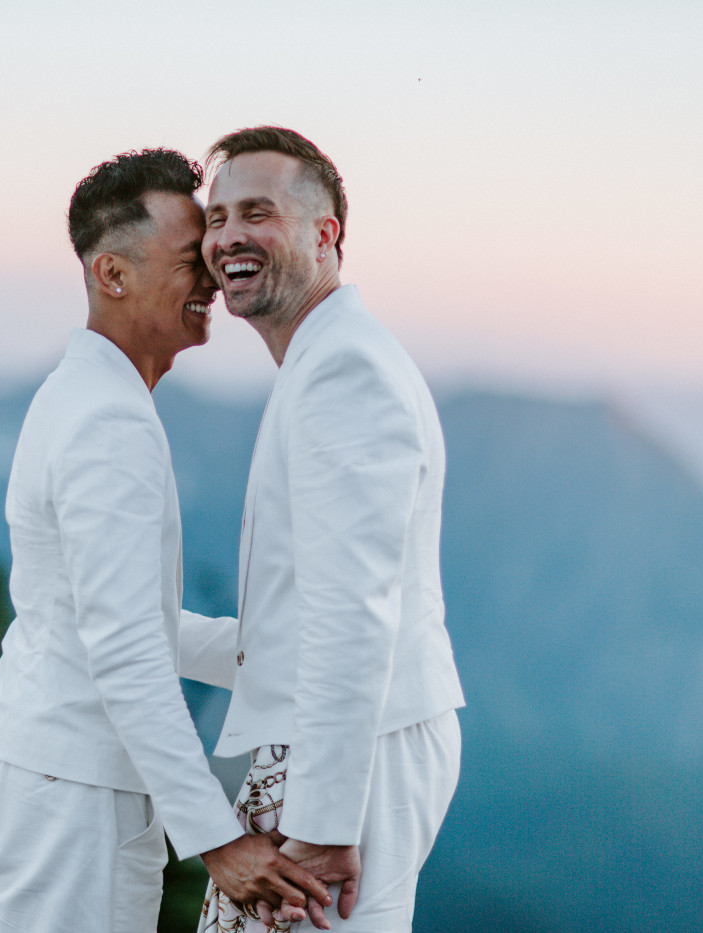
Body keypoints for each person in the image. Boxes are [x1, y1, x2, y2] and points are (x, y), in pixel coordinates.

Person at [0, 148, 328, 933]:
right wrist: (217, 837)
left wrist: (276, 654)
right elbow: (123, 650)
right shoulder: (109, 421)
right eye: (192, 260)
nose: (214, 280)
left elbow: (112, 618)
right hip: (72, 799)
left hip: (19, 766)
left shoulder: (74, 394)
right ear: (112, 274)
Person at [197, 127, 466, 932]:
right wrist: (136, 630)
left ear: (326, 235)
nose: (227, 237)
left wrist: (323, 824)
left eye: (257, 212)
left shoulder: (344, 369)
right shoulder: (322, 360)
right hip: (347, 745)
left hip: (355, 756)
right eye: (215, 219)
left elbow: (353, 612)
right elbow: (294, 628)